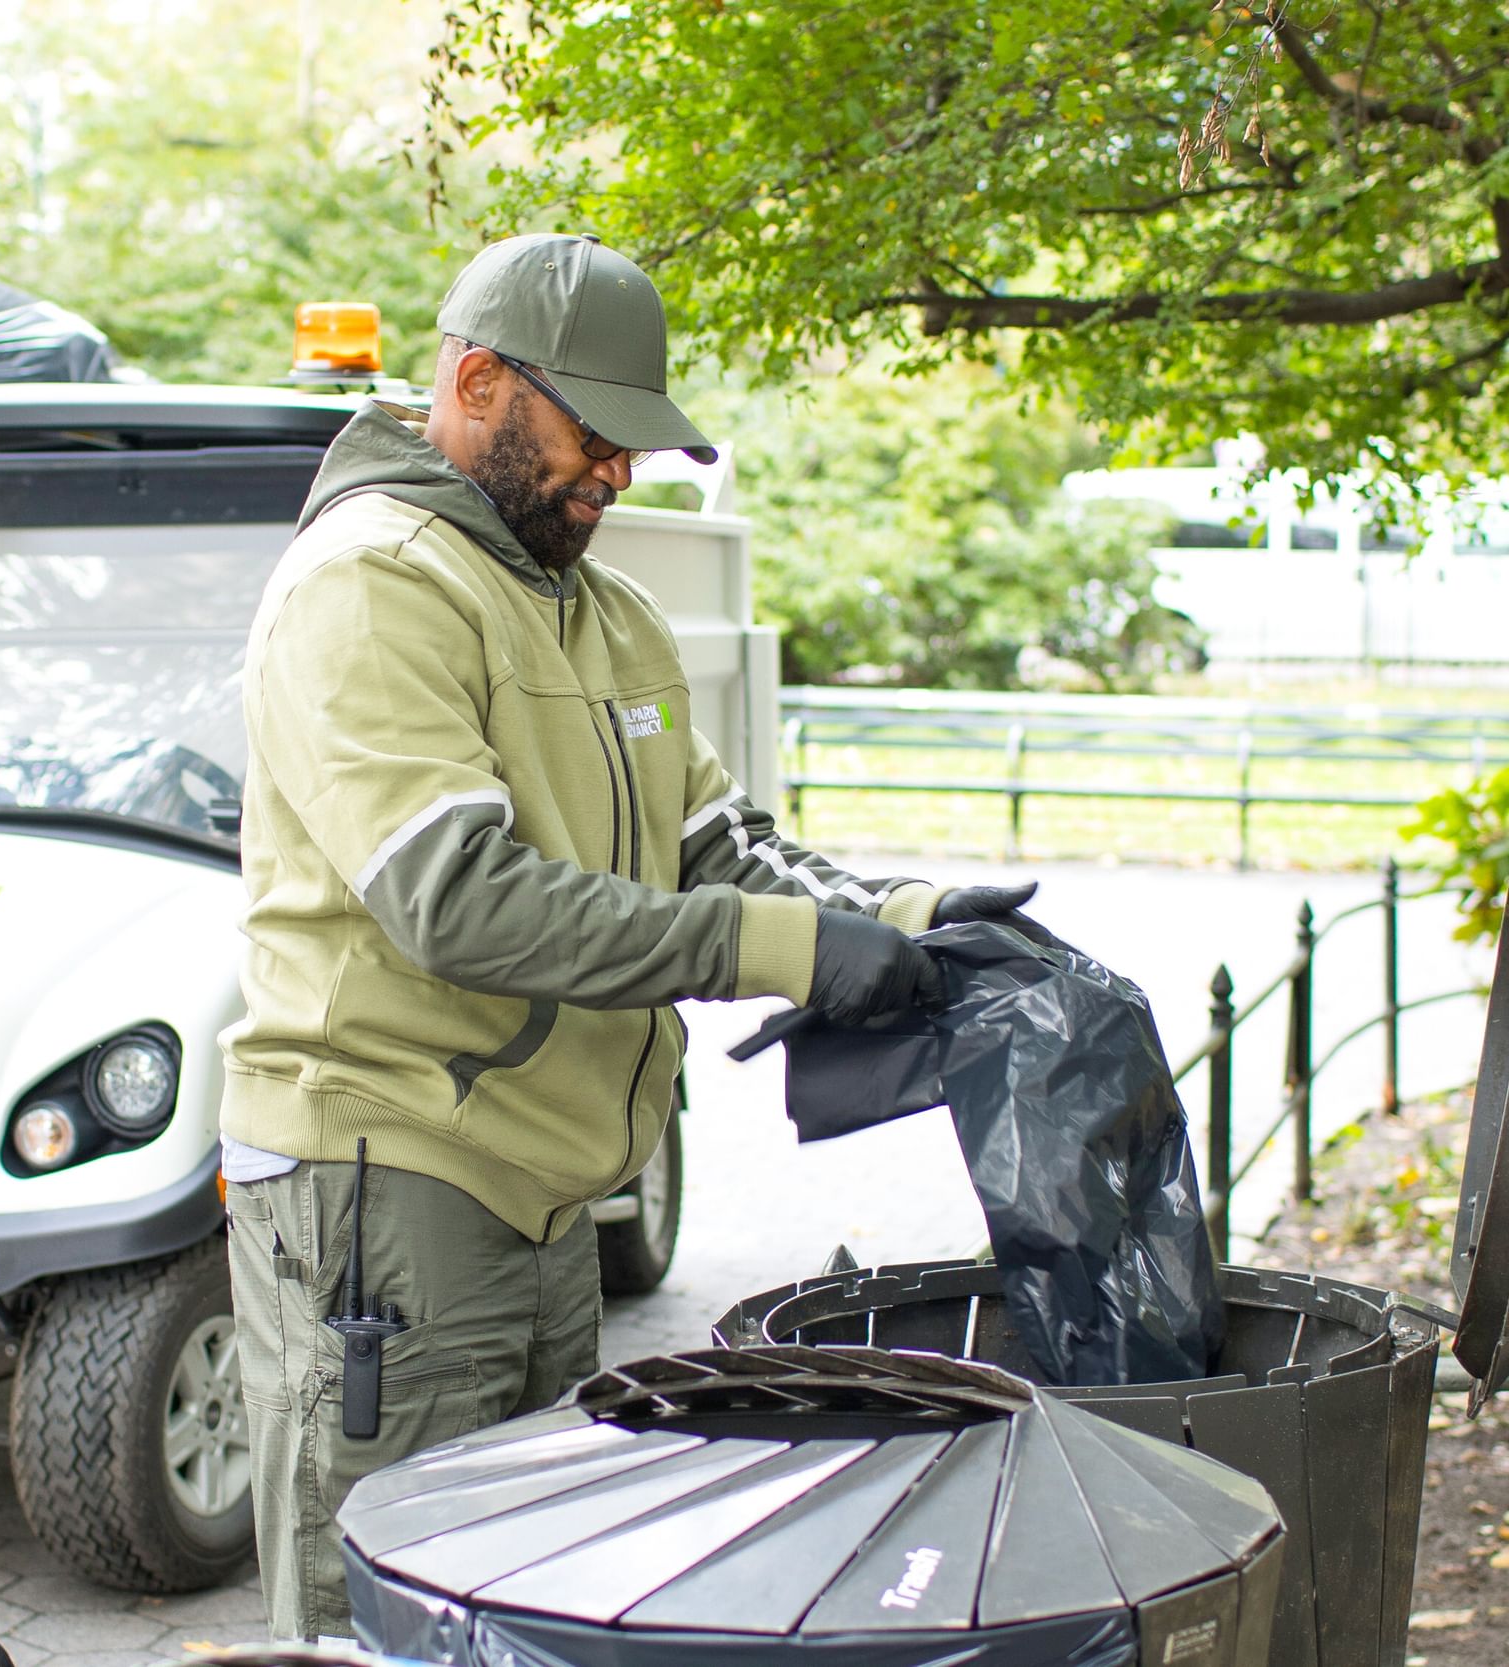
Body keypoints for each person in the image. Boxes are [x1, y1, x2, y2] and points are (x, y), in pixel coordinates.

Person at [221, 232, 1040, 1641]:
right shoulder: (371, 583)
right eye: (595, 435)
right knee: (393, 1616)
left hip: (547, 1191)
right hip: (390, 1185)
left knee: (528, 1596)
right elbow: (457, 899)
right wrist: (782, 951)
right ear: (477, 382)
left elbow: (714, 839)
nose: (619, 473)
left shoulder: (605, 611)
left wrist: (892, 913)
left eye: (636, 446)